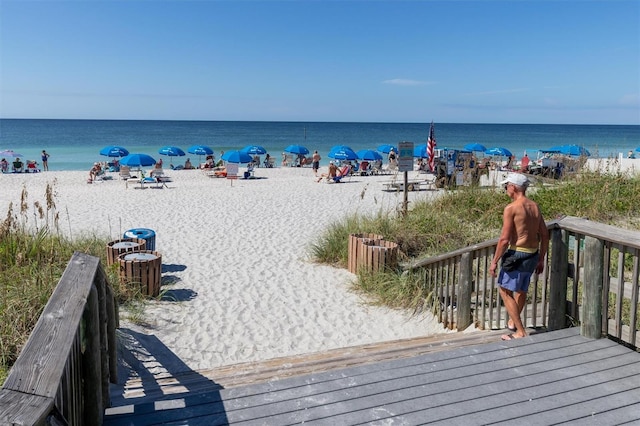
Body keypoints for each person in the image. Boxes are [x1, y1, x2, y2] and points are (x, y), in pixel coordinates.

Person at [489, 173, 549, 341]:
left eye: (506, 186)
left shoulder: (511, 208)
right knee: (521, 290)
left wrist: (494, 262)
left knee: (504, 290)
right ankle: (512, 321)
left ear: (513, 187)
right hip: (532, 254)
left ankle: (520, 331)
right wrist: (541, 258)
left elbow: (504, 239)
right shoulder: (534, 206)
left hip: (516, 254)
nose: (505, 189)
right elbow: (545, 235)